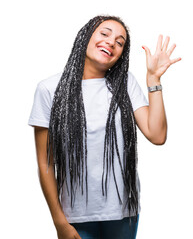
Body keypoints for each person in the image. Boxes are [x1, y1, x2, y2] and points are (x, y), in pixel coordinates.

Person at [28, 15, 181, 239]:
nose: (111, 42)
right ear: (86, 36)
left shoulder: (126, 83)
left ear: (121, 54)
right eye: (105, 33)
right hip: (75, 215)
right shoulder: (49, 89)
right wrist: (60, 222)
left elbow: (157, 135)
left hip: (123, 213)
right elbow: (45, 162)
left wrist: (153, 79)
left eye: (120, 42)